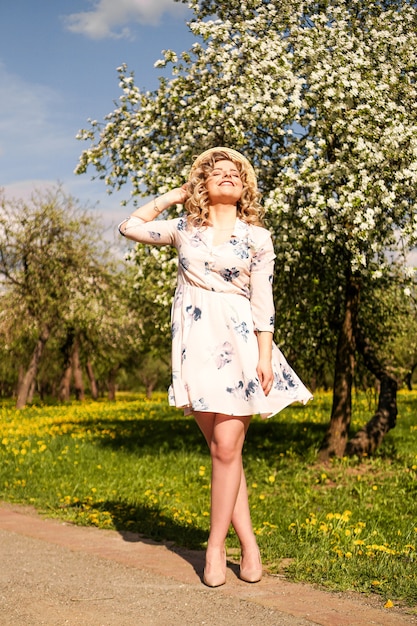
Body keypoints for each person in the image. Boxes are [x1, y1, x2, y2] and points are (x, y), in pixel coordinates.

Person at [119, 147, 312, 588]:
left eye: (234, 174)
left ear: (244, 188)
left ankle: (215, 545)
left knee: (227, 447)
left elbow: (264, 300)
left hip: (240, 343)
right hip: (195, 343)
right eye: (217, 173)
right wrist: (174, 195)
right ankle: (249, 542)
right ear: (202, 187)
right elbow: (129, 226)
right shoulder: (184, 228)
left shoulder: (257, 238)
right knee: (226, 453)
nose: (227, 176)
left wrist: (265, 353)